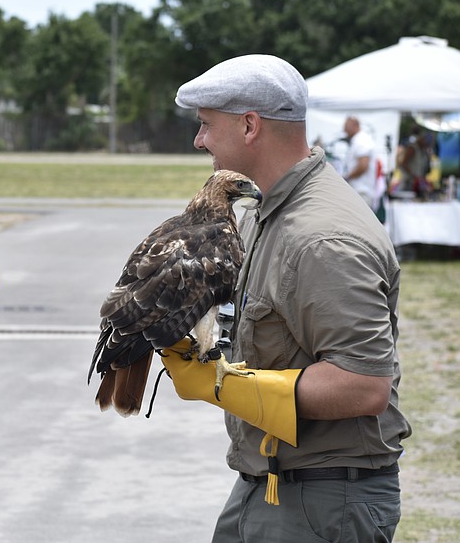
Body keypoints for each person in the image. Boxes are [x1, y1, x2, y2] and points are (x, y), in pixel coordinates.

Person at [160, 54, 411, 542]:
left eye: (206, 125)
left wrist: (223, 385)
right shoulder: (262, 211)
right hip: (268, 482)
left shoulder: (321, 238)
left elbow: (365, 385)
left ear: (250, 125)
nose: (199, 141)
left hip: (323, 500)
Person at [340, 115, 380, 211]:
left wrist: (346, 177)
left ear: (354, 125)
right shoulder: (359, 140)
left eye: (346, 126)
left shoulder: (361, 140)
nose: (344, 130)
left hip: (362, 192)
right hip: (360, 192)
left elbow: (363, 165)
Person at [397, 127, 432, 196]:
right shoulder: (412, 148)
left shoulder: (423, 151)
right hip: (408, 182)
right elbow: (403, 163)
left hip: (417, 182)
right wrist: (413, 175)